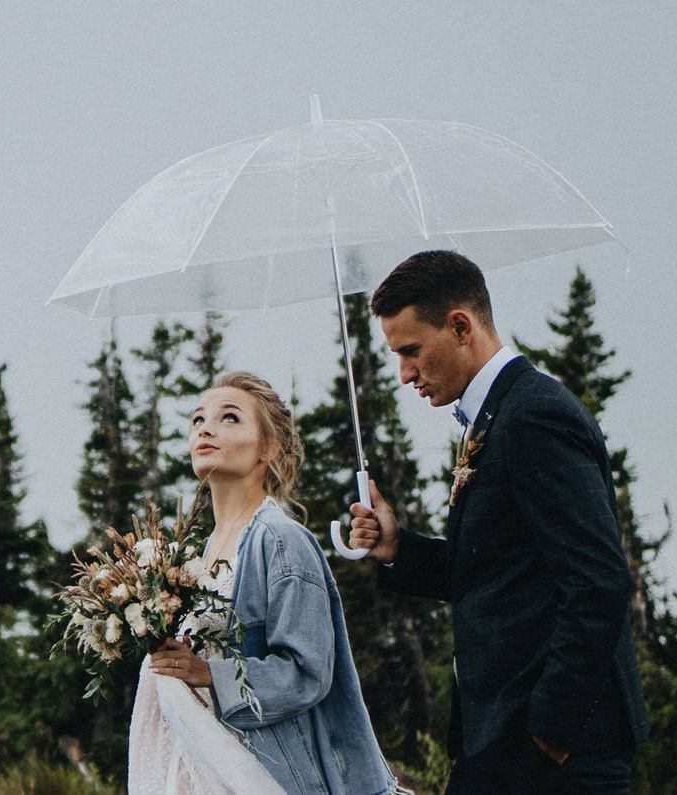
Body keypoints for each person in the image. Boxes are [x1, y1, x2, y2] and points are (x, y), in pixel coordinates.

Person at [347, 251, 648, 795]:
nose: (404, 373)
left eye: (411, 351)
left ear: (460, 326)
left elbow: (600, 582)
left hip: (553, 754)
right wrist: (398, 550)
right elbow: (498, 573)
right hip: (499, 741)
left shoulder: (534, 415)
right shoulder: (495, 416)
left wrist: (546, 739)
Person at [142, 371, 394, 795]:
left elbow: (307, 672)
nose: (206, 427)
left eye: (230, 418)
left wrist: (208, 673)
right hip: (206, 762)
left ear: (269, 447)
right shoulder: (200, 553)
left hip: (268, 772)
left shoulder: (280, 539)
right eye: (198, 419)